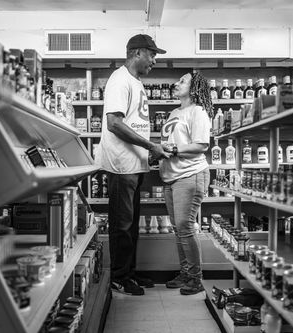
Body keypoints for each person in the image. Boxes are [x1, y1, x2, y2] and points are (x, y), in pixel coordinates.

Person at [95, 34, 170, 296]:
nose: (154, 61)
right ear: (138, 53)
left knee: (131, 224)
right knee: (122, 225)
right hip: (121, 166)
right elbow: (114, 124)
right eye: (152, 55)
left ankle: (129, 273)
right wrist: (151, 146)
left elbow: (134, 124)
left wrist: (149, 153)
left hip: (135, 165)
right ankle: (119, 277)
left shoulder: (136, 82)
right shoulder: (120, 80)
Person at [159, 72, 213, 295]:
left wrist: (171, 150)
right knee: (179, 229)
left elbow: (201, 145)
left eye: (182, 81)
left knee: (185, 227)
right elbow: (173, 142)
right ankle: (186, 273)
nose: (176, 83)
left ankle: (195, 278)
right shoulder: (175, 111)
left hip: (190, 175)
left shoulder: (197, 111)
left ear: (194, 88)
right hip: (172, 176)